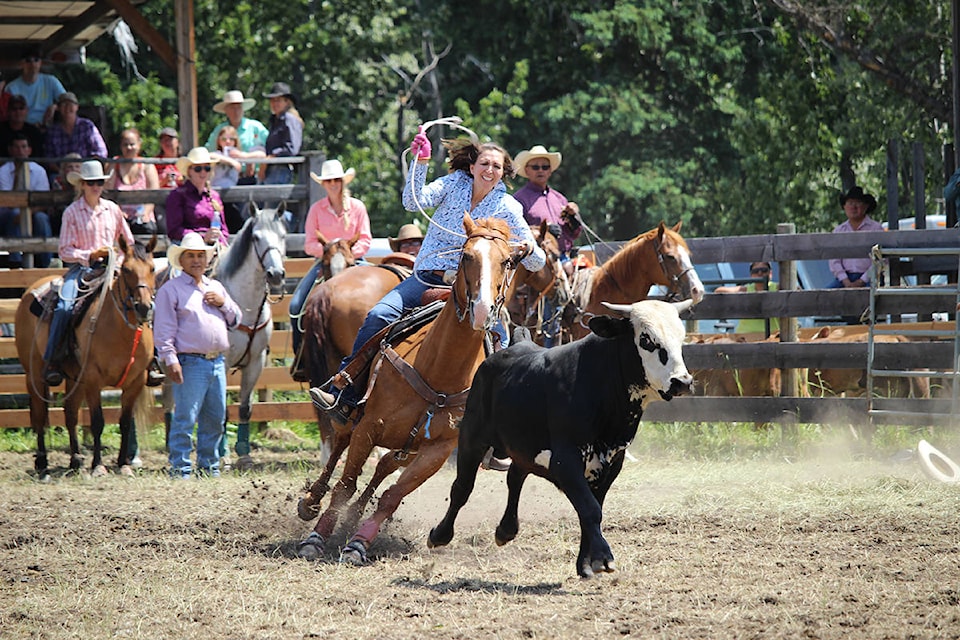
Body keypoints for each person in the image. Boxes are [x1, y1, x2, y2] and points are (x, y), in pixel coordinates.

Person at [309, 130, 545, 421]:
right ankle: (344, 388)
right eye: (484, 163)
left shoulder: (508, 207)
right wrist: (420, 163)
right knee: (378, 315)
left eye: (496, 166)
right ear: (472, 167)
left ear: (503, 173)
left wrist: (528, 246)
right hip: (426, 277)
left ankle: (494, 420)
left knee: (500, 339)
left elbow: (537, 262)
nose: (490, 170)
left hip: (471, 290)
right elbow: (413, 201)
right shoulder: (452, 184)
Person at [154, 232, 241, 479]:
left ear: (207, 259)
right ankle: (180, 469)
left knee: (215, 418)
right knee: (185, 417)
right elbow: (163, 330)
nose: (196, 260)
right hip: (190, 361)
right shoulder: (171, 290)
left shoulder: (216, 288)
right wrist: (170, 359)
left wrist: (223, 303)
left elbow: (236, 319)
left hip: (217, 361)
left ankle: (208, 467)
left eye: (200, 256)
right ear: (181, 260)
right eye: (191, 256)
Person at [43, 160, 134, 385]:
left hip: (113, 267)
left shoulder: (112, 209)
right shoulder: (72, 212)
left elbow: (128, 243)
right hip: (82, 269)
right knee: (64, 305)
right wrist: (91, 255)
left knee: (143, 299)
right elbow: (64, 251)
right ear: (82, 184)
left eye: (99, 182)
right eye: (91, 182)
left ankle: (152, 357)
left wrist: (119, 260)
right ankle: (54, 358)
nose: (96, 186)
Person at [289, 159, 372, 375]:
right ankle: (301, 358)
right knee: (296, 306)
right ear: (323, 184)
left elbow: (365, 239)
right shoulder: (316, 210)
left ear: (343, 181)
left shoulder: (357, 207)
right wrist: (330, 253)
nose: (333, 184)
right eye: (329, 181)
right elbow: (309, 243)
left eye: (336, 179)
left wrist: (347, 254)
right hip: (324, 263)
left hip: (354, 261)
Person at [512, 144, 582, 262]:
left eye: (545, 167)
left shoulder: (560, 198)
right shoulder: (518, 200)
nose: (540, 170)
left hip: (565, 257)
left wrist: (574, 219)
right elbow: (514, 232)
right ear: (526, 170)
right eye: (535, 167)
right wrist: (542, 230)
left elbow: (574, 234)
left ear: (550, 171)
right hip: (535, 260)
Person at [0, 132, 53, 268]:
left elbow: (44, 201)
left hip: (34, 211)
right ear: (10, 150)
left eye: (23, 147)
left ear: (29, 150)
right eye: (16, 147)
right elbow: (8, 201)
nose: (20, 151)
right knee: (13, 215)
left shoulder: (39, 170)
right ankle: (16, 262)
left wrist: (26, 214)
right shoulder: (3, 171)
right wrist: (18, 174)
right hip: (8, 212)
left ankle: (48, 263)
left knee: (41, 218)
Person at [164, 147, 228, 246]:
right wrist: (201, 238)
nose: (203, 172)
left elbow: (224, 230)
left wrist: (219, 242)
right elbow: (174, 230)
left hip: (214, 247)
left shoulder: (215, 196)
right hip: (187, 247)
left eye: (207, 168)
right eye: (198, 168)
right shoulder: (177, 195)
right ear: (189, 171)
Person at [104, 128, 160, 235]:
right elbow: (107, 193)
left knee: (148, 229)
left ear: (139, 145)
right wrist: (118, 213)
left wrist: (145, 213)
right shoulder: (114, 164)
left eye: (132, 144)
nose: (129, 148)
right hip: (119, 215)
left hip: (142, 215)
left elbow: (154, 195)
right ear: (121, 146)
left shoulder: (147, 166)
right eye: (125, 145)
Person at [204, 90, 267, 183]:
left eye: (239, 107)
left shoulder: (255, 127)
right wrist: (230, 161)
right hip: (225, 177)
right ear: (226, 110)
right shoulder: (219, 130)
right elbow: (208, 152)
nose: (236, 111)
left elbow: (267, 150)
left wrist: (246, 157)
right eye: (232, 108)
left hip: (252, 176)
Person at [827, 186, 884, 289]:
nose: (853, 207)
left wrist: (862, 280)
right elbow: (834, 260)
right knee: (823, 297)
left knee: (872, 298)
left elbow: (881, 259)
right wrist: (845, 280)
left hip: (870, 278)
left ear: (866, 206)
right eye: (850, 203)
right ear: (844, 207)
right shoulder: (839, 231)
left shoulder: (876, 228)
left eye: (858, 203)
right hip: (844, 278)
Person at [211, 125, 261, 233]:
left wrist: (243, 156)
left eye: (231, 139)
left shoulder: (238, 156)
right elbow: (210, 156)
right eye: (224, 139)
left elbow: (262, 155)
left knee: (239, 221)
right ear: (219, 141)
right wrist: (231, 161)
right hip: (217, 197)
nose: (227, 142)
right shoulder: (217, 154)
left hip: (232, 196)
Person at [4, 45, 65, 127]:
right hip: (22, 128)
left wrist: (55, 106)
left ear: (40, 63)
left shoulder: (51, 81)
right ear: (22, 64)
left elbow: (66, 100)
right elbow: (9, 113)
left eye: (36, 60)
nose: (32, 64)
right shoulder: (11, 87)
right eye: (28, 61)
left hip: (47, 127)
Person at [44, 92, 108, 166]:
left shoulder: (87, 126)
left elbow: (101, 151)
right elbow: (48, 159)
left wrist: (86, 168)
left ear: (77, 107)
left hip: (86, 172)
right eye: (64, 104)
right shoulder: (52, 131)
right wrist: (63, 172)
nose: (67, 107)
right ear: (58, 108)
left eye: (71, 104)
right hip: (60, 173)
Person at [714, 261, 780, 335]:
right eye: (755, 271)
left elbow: (793, 289)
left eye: (764, 270)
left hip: (773, 335)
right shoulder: (746, 289)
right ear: (751, 275)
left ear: (770, 273)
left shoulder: (777, 288)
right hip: (745, 335)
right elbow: (719, 291)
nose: (760, 273)